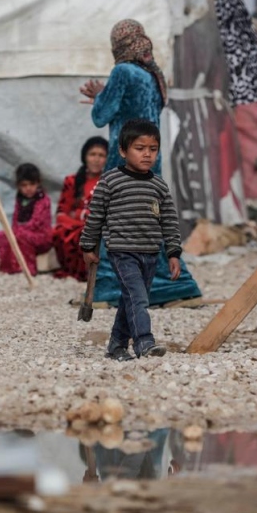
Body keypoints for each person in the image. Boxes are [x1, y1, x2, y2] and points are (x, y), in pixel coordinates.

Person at [79, 19, 201, 306]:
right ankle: (177, 286)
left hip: (121, 162)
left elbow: (101, 115)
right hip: (150, 165)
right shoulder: (152, 76)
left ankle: (108, 289)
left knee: (114, 224)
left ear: (118, 45)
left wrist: (99, 97)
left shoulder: (123, 71)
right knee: (149, 225)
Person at [80, 119, 182, 360]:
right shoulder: (110, 181)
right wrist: (88, 246)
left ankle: (116, 346)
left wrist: (173, 252)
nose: (147, 154)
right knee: (138, 297)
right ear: (123, 151)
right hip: (122, 252)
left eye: (152, 149)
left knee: (130, 300)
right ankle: (144, 342)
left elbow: (169, 220)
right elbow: (96, 217)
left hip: (150, 253)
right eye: (140, 148)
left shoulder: (158, 185)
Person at [53, 136, 109, 280]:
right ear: (85, 157)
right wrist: (80, 221)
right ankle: (75, 271)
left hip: (98, 227)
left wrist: (80, 216)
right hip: (75, 227)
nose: (96, 159)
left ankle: (93, 273)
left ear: (107, 159)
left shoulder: (108, 181)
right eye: (92, 154)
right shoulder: (72, 181)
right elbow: (62, 212)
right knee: (59, 232)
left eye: (101, 155)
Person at [0, 163, 53, 275]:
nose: (28, 188)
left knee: (19, 235)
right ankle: (7, 268)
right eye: (24, 185)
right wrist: (12, 231)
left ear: (38, 183)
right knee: (2, 235)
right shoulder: (20, 199)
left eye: (32, 184)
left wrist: (17, 231)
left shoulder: (42, 199)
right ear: (18, 186)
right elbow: (15, 219)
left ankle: (26, 269)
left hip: (41, 236)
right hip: (23, 232)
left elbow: (36, 223)